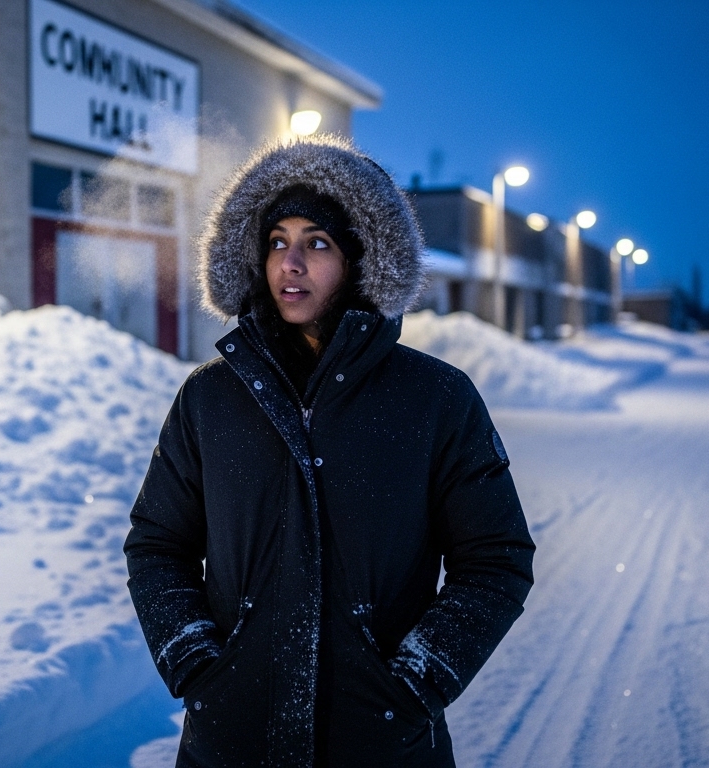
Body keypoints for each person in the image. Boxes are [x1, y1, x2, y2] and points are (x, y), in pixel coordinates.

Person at [124, 135, 536, 767]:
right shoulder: (210, 400)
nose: (291, 263)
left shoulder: (434, 400)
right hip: (232, 744)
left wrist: (416, 680)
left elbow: (496, 560)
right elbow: (157, 544)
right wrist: (196, 664)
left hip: (381, 746)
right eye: (276, 242)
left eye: (317, 243)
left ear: (363, 258)